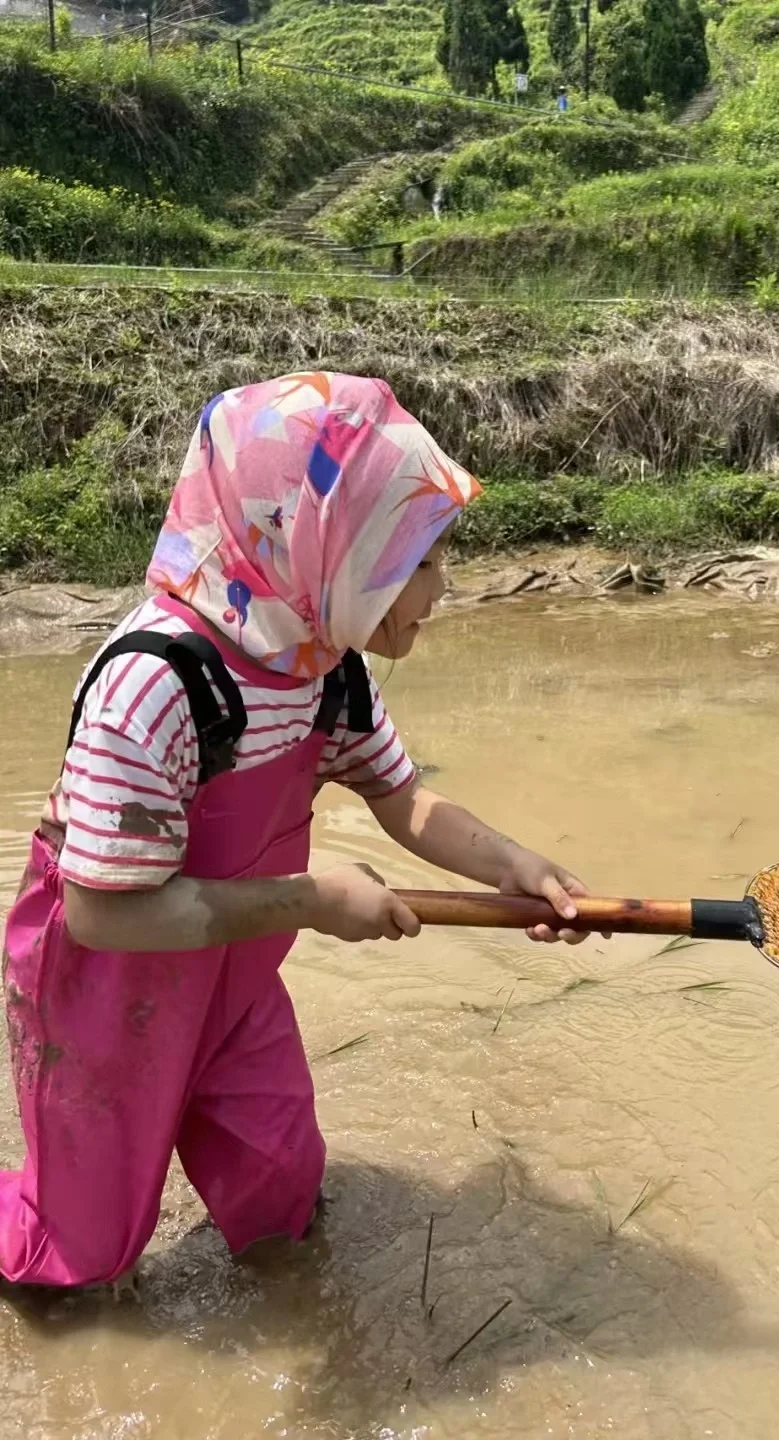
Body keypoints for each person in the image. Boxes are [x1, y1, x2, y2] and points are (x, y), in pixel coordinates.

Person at [0, 373, 598, 1290]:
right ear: (321, 546)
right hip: (106, 998)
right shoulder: (156, 685)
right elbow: (102, 916)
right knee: (79, 1261)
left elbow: (406, 803)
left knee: (283, 1192)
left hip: (234, 983)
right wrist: (314, 899)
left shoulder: (323, 669)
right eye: (421, 561)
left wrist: (515, 867)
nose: (444, 589)